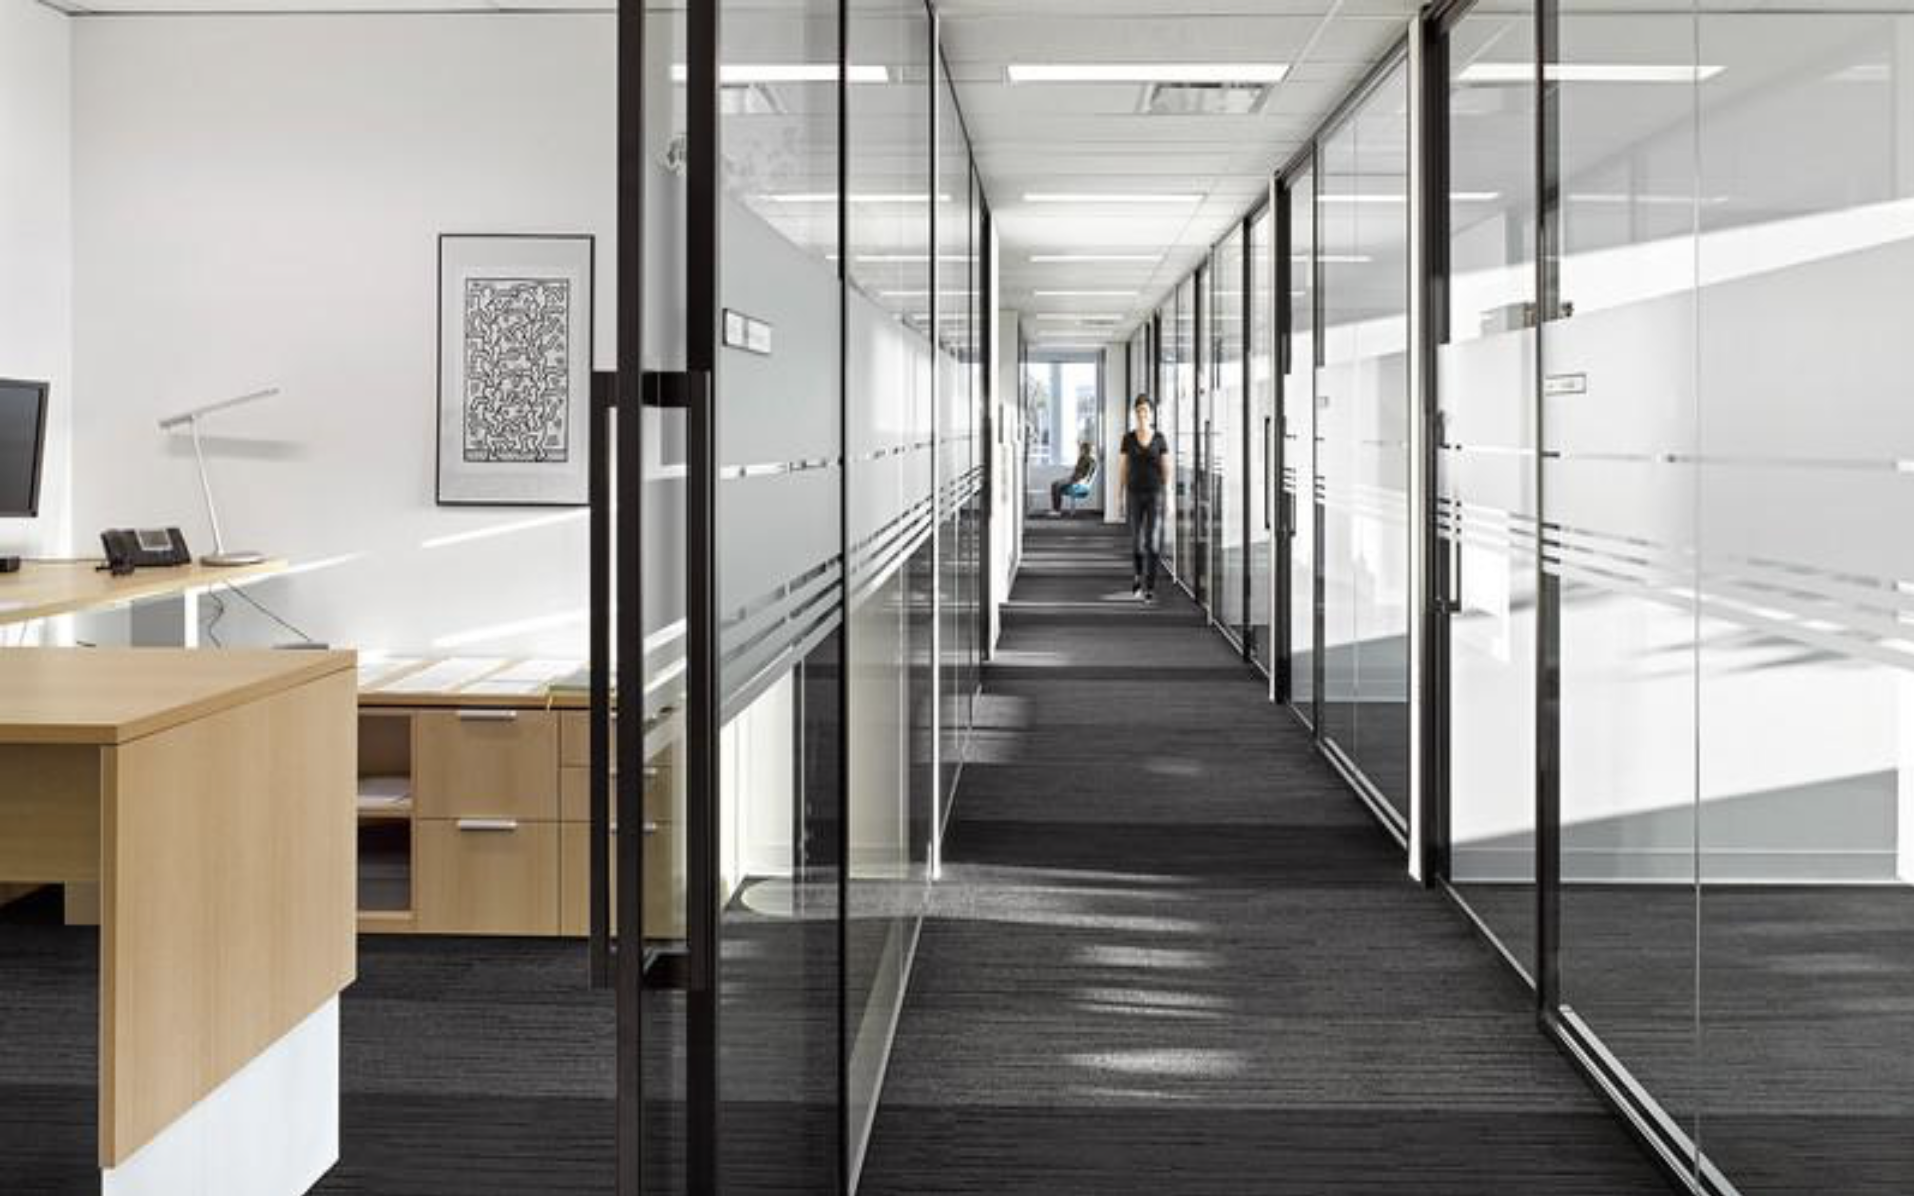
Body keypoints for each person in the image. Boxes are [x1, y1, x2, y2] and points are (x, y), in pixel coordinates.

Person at [1117, 394, 1170, 602]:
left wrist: (1170, 496)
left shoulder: (1160, 438)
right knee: (1137, 543)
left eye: (1145, 410)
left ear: (1151, 413)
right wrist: (1119, 495)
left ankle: (1150, 585)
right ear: (1135, 413)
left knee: (1153, 543)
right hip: (1134, 494)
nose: (1142, 414)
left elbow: (1166, 468)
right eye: (1139, 411)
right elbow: (1122, 467)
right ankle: (1138, 575)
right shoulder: (1128, 438)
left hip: (1155, 494)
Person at [1049, 441, 1098, 516]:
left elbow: (1088, 473)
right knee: (1055, 484)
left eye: (1082, 449)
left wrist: (1082, 481)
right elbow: (1078, 470)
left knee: (1056, 485)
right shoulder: (1082, 458)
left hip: (1076, 480)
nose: (1080, 451)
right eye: (1081, 449)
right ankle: (1056, 509)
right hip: (1073, 478)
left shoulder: (1090, 460)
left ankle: (1057, 510)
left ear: (1086, 450)